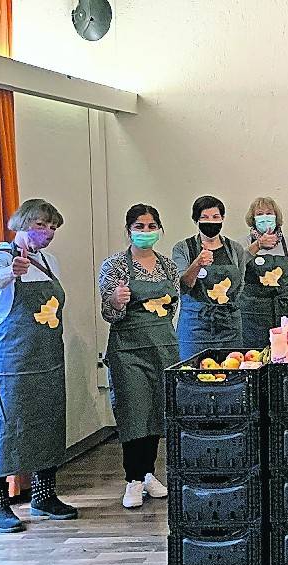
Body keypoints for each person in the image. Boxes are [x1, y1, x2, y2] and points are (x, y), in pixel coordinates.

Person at [0, 199, 79, 533]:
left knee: (47, 426)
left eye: (52, 228)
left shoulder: (50, 261)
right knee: (2, 430)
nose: (47, 232)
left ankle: (44, 496)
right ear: (21, 223)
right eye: (40, 225)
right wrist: (12, 272)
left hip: (46, 361)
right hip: (8, 363)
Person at [98, 204, 180, 509]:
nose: (146, 232)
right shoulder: (115, 266)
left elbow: (172, 308)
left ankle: (148, 473)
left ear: (159, 229)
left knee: (156, 411)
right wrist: (117, 301)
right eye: (139, 226)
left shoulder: (168, 266)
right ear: (128, 230)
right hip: (128, 350)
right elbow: (108, 313)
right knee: (133, 412)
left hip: (163, 347)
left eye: (151, 226)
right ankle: (132, 478)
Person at [172, 195, 266, 360]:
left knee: (231, 370)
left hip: (229, 327)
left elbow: (240, 283)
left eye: (216, 217)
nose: (211, 222)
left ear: (222, 218)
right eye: (205, 217)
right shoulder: (182, 248)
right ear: (196, 220)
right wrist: (197, 264)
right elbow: (182, 286)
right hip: (195, 327)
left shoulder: (235, 249)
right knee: (192, 370)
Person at [237, 197, 288, 348]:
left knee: (284, 353)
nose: (265, 217)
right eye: (260, 214)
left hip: (284, 314)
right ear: (252, 219)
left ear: (276, 216)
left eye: (269, 213)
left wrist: (282, 296)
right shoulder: (241, 244)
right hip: (251, 315)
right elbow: (235, 272)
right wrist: (257, 246)